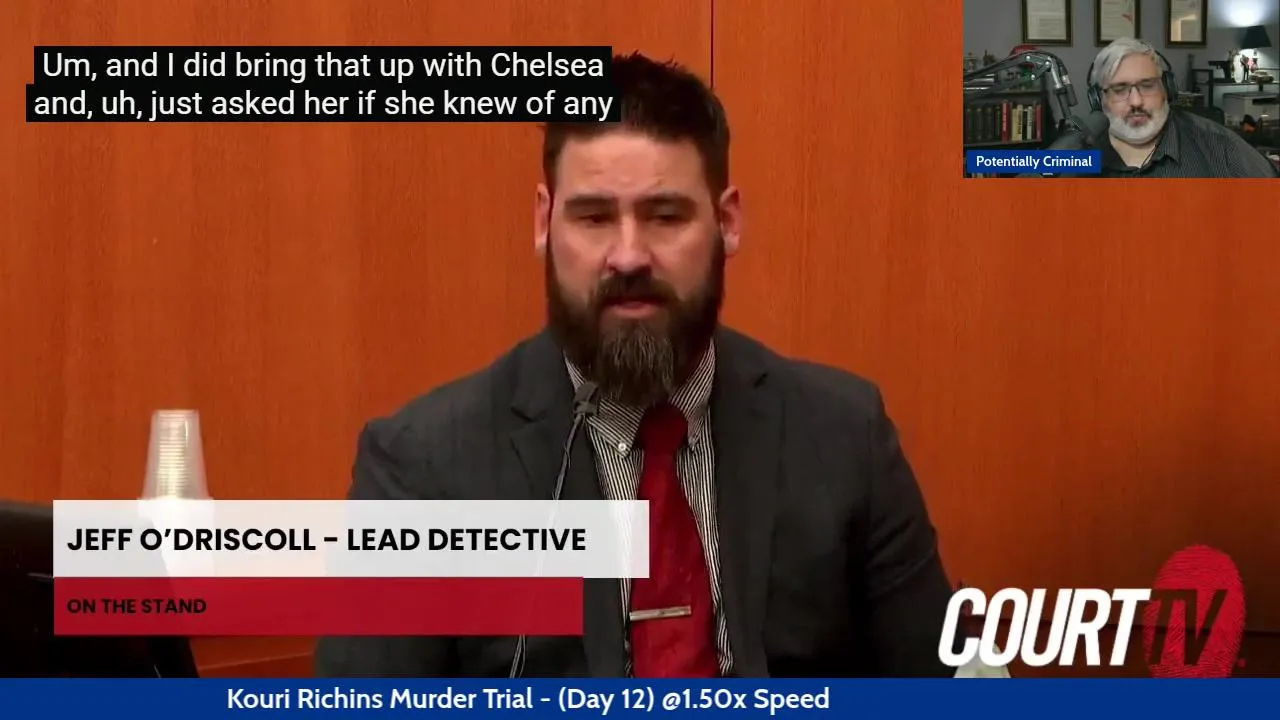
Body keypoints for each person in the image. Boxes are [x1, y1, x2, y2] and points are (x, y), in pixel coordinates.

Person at [315, 52, 960, 678]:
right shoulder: (423, 468)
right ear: (544, 223)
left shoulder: (846, 435)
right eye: (594, 217)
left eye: (665, 216)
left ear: (727, 223)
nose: (628, 256)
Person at [1089, 38, 1278, 177]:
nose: (1136, 101)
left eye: (1147, 86)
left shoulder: (1223, 148)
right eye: (1119, 90)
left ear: (1168, 89)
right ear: (1099, 99)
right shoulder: (1081, 153)